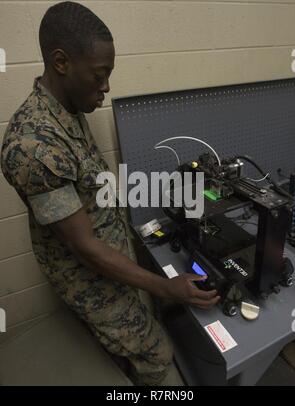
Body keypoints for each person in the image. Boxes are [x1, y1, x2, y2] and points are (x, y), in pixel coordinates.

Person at [1, 1, 220, 385]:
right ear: (61, 62)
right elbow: (84, 247)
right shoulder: (32, 145)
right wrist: (166, 285)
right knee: (157, 353)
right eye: (99, 75)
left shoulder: (68, 108)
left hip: (113, 252)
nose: (105, 87)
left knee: (144, 324)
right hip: (88, 274)